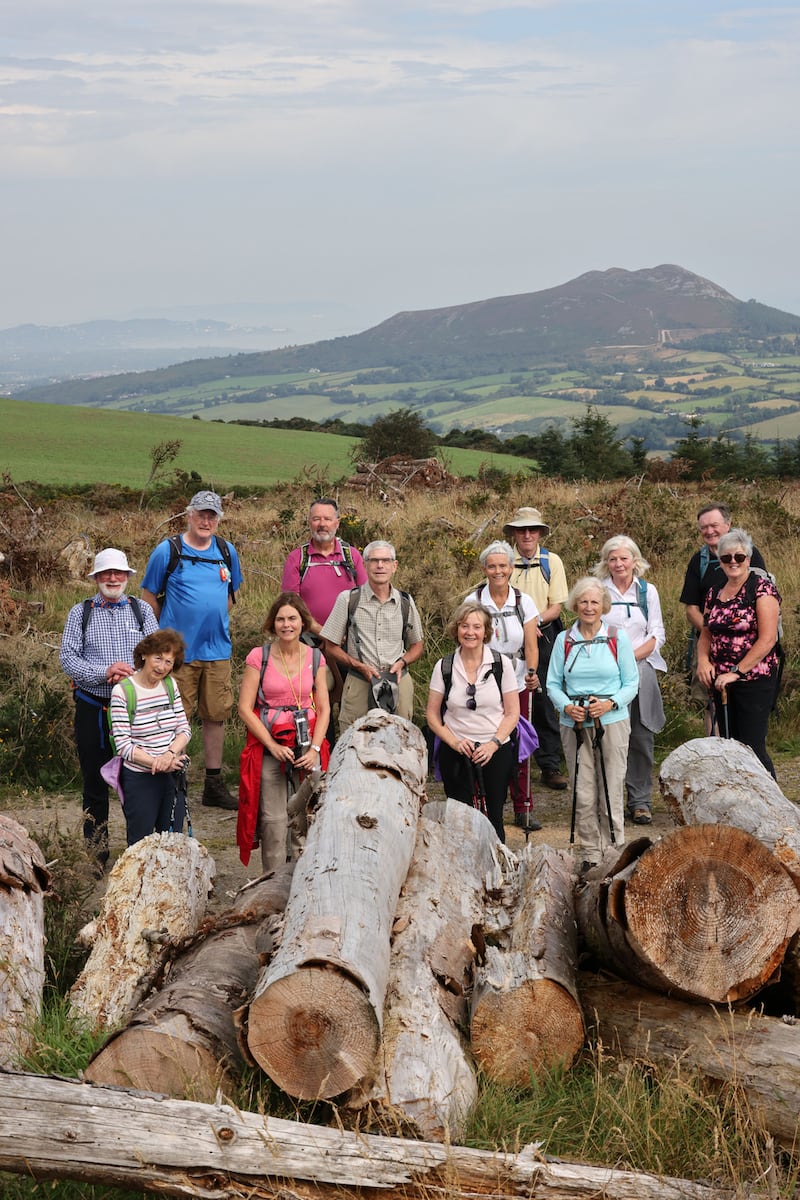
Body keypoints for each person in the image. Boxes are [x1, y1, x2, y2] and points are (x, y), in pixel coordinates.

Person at [141, 490, 243, 810]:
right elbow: (147, 597)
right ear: (188, 515)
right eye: (201, 513)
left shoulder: (227, 551)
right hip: (178, 655)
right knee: (176, 718)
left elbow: (232, 594)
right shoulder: (167, 550)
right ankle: (173, 784)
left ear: (218, 519)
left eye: (212, 515)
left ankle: (213, 785)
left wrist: (215, 619)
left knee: (216, 715)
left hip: (217, 651)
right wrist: (163, 640)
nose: (206, 520)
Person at [60, 547, 159, 870]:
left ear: (128, 577)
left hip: (135, 708)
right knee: (94, 782)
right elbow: (69, 658)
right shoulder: (81, 612)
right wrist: (104, 672)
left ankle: (139, 851)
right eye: (106, 574)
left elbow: (157, 655)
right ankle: (97, 853)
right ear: (97, 578)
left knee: (139, 780)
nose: (113, 578)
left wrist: (135, 672)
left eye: (119, 573)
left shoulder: (142, 611)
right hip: (93, 707)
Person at [547, 578, 639, 873]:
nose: (589, 608)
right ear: (575, 605)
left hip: (610, 720)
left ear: (603, 606)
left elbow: (631, 683)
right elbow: (552, 684)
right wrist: (566, 706)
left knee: (611, 785)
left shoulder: (617, 637)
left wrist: (610, 703)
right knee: (582, 789)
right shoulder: (564, 640)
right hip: (574, 722)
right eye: (584, 602)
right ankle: (590, 853)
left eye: (595, 602)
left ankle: (614, 851)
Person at [237, 592, 330, 872]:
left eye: (292, 618)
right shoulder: (259, 656)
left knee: (309, 815)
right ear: (272, 623)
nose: (286, 624)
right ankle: (272, 882)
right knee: (273, 820)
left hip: (306, 744)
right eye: (280, 619)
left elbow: (324, 708)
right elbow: (244, 708)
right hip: (270, 743)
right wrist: (271, 746)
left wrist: (314, 749)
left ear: (303, 622)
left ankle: (306, 880)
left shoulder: (315, 657)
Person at [426, 600, 520, 843]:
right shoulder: (444, 666)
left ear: (486, 631)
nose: (470, 632)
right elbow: (432, 715)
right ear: (456, 629)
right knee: (459, 815)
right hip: (456, 748)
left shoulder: (501, 664)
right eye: (464, 626)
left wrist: (493, 744)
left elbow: (512, 713)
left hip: (495, 747)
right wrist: (455, 742)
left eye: (477, 627)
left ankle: (498, 865)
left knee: (495, 814)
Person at [593, 536, 666, 826]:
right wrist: (614, 662)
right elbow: (590, 627)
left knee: (640, 735)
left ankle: (640, 801)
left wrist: (631, 658)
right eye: (613, 559)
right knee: (607, 736)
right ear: (606, 562)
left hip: (641, 668)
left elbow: (657, 633)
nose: (618, 564)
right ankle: (608, 800)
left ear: (635, 561)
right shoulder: (598, 590)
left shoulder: (648, 592)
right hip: (605, 671)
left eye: (624, 558)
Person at [696, 529, 781, 777]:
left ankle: (772, 809)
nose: (733, 562)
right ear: (720, 561)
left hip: (754, 680)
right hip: (720, 681)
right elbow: (706, 634)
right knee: (730, 746)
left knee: (752, 747)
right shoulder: (714, 592)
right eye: (726, 558)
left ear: (749, 558)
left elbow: (768, 639)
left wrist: (736, 671)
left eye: (739, 557)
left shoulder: (762, 589)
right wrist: (703, 661)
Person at [320, 541, 424, 732]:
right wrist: (358, 665)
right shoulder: (348, 599)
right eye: (374, 560)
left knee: (400, 744)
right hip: (359, 683)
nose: (380, 566)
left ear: (395, 566)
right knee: (354, 744)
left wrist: (402, 662)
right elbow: (329, 646)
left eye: (386, 560)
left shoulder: (405, 602)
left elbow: (417, 645)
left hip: (398, 684)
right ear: (365, 565)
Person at [473, 540, 541, 829]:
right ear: (484, 568)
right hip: (484, 680)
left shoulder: (523, 601)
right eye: (492, 566)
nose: (498, 571)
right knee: (486, 738)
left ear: (512, 568)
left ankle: (522, 806)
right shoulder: (474, 601)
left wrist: (533, 671)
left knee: (519, 742)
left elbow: (531, 643)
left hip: (517, 677)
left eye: (503, 565)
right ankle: (485, 803)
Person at [680, 503, 766, 728]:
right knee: (711, 703)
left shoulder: (749, 554)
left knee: (745, 707)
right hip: (708, 648)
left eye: (714, 525)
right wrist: (713, 634)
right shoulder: (698, 561)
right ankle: (714, 756)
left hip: (748, 648)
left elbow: (762, 600)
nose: (709, 531)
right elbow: (691, 609)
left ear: (727, 524)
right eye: (704, 527)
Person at [504, 506, 570, 793]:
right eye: (522, 530)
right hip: (507, 633)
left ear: (540, 532)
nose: (527, 535)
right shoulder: (504, 560)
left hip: (544, 634)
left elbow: (556, 606)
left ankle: (549, 763)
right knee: (507, 695)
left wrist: (533, 622)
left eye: (532, 530)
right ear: (514, 534)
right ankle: (508, 763)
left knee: (542, 696)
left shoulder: (551, 561)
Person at [108, 629, 192, 846]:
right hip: (139, 778)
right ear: (144, 654)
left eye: (168, 662)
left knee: (172, 841)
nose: (161, 667)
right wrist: (156, 762)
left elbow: (184, 728)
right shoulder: (122, 692)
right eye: (158, 658)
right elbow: (123, 746)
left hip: (172, 774)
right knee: (140, 843)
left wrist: (170, 755)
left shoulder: (170, 684)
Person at [280, 497, 367, 633]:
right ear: (309, 523)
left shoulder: (352, 556)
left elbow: (366, 599)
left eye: (327, 519)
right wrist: (322, 633)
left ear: (337, 523)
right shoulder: (297, 558)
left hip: (349, 639)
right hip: (309, 641)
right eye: (316, 519)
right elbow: (291, 605)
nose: (322, 524)